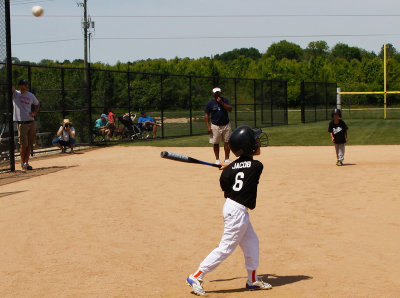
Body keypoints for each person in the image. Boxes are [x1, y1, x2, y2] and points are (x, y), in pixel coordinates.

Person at [186, 125, 272, 296]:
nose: (258, 142)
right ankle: (197, 275)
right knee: (226, 248)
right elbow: (247, 167)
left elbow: (226, 184)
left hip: (232, 208)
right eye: (255, 140)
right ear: (248, 146)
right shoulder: (257, 166)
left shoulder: (228, 171)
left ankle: (252, 279)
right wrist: (232, 166)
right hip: (237, 213)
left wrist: (230, 167)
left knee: (252, 243)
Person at [12, 79, 40, 171]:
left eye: (26, 84)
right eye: (24, 84)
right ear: (20, 85)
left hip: (31, 122)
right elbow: (10, 86)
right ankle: (22, 161)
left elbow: (37, 104)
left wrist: (34, 113)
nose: (26, 86)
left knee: (29, 144)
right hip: (22, 123)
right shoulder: (16, 94)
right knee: (23, 145)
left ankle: (26, 163)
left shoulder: (30, 95)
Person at [205, 87, 232, 165]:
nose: (217, 94)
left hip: (226, 125)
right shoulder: (210, 103)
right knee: (216, 143)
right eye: (215, 93)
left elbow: (230, 109)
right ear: (213, 94)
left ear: (220, 93)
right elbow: (206, 114)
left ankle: (227, 159)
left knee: (227, 142)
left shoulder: (225, 100)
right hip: (215, 125)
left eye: (218, 92)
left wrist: (222, 103)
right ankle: (217, 160)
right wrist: (208, 126)